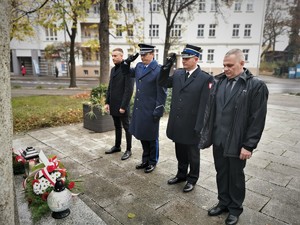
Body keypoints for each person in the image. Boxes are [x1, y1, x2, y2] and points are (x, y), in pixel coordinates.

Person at [199, 49, 269, 225]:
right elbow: (211, 111)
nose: (226, 68)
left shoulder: (255, 86)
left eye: (230, 65)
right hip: (219, 139)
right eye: (224, 65)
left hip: (237, 143)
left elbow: (257, 119)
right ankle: (223, 202)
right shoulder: (219, 81)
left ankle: (235, 209)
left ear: (242, 64)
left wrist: (249, 145)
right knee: (221, 173)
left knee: (235, 176)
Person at [158, 44, 213, 192]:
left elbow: (205, 105)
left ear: (196, 59)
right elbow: (162, 83)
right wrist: (167, 66)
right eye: (183, 58)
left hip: (192, 124)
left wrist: (199, 126)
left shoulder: (205, 78)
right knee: (180, 151)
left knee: (193, 155)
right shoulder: (178, 74)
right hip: (177, 123)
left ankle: (192, 179)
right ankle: (181, 174)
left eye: (187, 58)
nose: (184, 61)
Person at [123, 43, 167, 173]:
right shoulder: (139, 66)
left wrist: (158, 110)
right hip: (139, 108)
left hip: (151, 108)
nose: (142, 57)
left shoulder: (158, 70)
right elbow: (127, 73)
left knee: (152, 137)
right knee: (142, 135)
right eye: (141, 54)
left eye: (145, 54)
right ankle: (145, 159)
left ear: (152, 54)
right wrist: (126, 62)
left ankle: (152, 161)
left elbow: (162, 92)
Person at [104, 48, 134, 160]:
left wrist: (123, 106)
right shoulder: (113, 70)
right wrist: (107, 102)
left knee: (127, 128)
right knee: (117, 126)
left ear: (122, 56)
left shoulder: (128, 70)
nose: (113, 58)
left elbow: (129, 90)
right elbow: (110, 87)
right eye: (112, 56)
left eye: (115, 56)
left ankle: (129, 150)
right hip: (113, 104)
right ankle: (117, 146)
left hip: (122, 105)